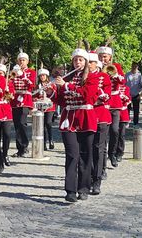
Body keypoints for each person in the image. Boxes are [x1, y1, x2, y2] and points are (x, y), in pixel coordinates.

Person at [54, 48, 99, 203]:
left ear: (85, 62)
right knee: (72, 155)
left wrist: (66, 86)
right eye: (75, 60)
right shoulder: (69, 78)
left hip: (86, 117)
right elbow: (60, 100)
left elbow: (87, 94)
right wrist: (51, 92)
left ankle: (84, 188)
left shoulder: (92, 77)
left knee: (86, 155)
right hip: (69, 119)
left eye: (80, 60)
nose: (77, 62)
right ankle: (70, 190)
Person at [87, 53, 111, 195]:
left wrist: (99, 95)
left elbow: (106, 97)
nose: (89, 65)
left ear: (96, 63)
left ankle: (97, 180)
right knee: (86, 148)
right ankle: (87, 178)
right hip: (85, 116)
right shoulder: (80, 77)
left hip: (100, 114)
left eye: (91, 62)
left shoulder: (104, 77)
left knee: (98, 148)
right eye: (87, 62)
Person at [10, 52, 37, 158]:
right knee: (16, 125)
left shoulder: (31, 72)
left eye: (23, 60)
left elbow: (32, 85)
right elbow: (10, 83)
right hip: (15, 100)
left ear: (27, 61)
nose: (22, 62)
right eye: (20, 60)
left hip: (25, 99)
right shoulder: (14, 72)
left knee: (22, 123)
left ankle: (24, 147)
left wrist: (23, 75)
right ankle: (20, 149)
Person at [33, 66, 57, 150]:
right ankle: (44, 142)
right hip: (40, 106)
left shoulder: (51, 84)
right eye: (41, 76)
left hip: (49, 106)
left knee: (48, 123)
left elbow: (54, 95)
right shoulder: (37, 86)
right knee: (41, 125)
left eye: (44, 75)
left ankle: (51, 139)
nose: (42, 77)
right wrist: (36, 99)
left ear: (46, 76)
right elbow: (34, 96)